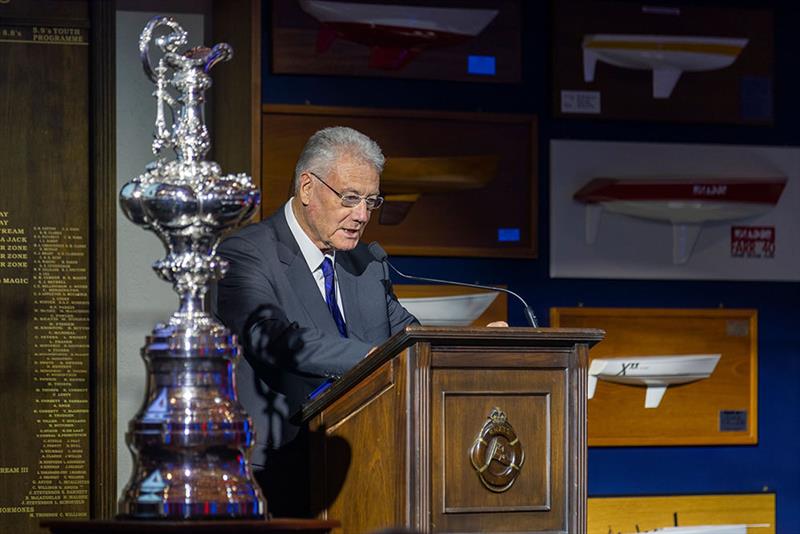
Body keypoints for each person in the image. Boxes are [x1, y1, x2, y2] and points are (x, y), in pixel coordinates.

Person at [215, 126, 418, 517]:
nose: (361, 216)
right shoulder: (245, 253)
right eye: (349, 198)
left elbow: (411, 338)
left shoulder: (367, 263)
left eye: (370, 201)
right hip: (277, 472)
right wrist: (374, 359)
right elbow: (269, 337)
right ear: (307, 188)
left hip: (369, 464)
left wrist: (465, 348)